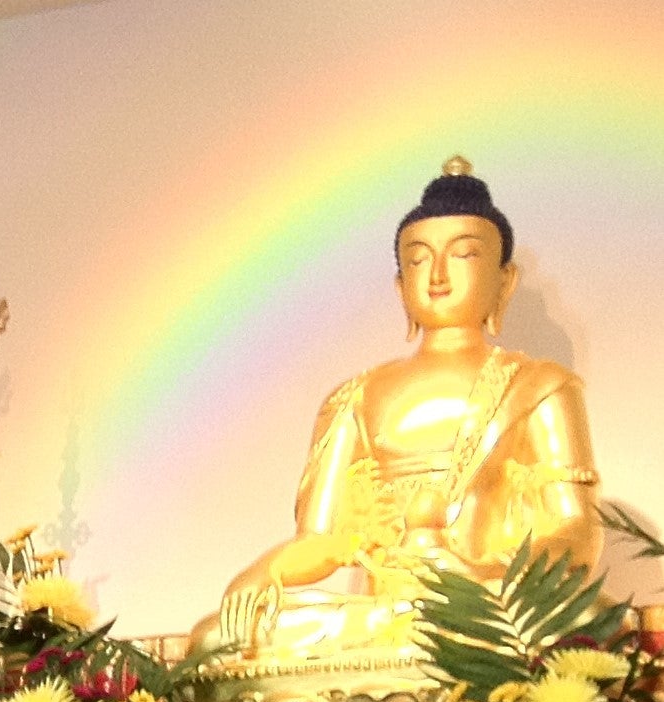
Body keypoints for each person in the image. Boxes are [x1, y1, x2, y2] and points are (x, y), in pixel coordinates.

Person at [193, 157, 601, 662]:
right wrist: (264, 572)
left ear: (504, 280)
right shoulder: (355, 398)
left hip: (489, 608)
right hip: (383, 615)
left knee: (584, 620)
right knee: (218, 637)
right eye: (418, 260)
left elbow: (575, 530)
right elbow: (320, 539)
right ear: (399, 285)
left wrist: (486, 577)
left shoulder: (540, 386)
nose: (438, 277)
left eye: (464, 255)